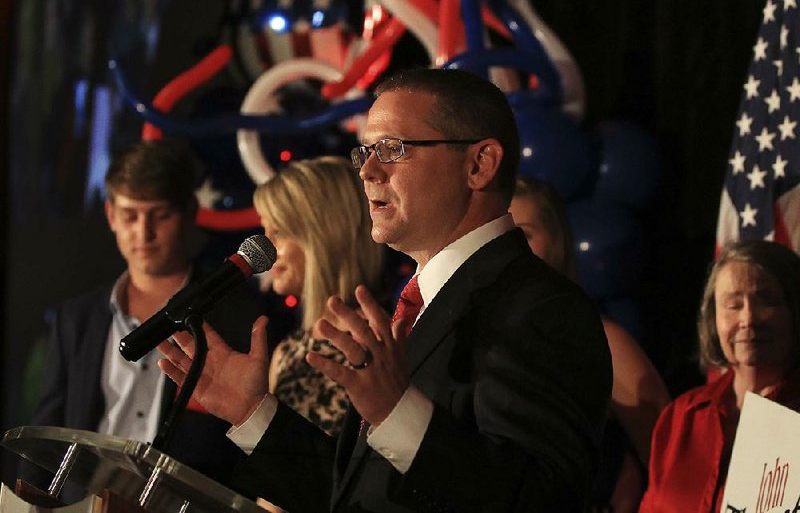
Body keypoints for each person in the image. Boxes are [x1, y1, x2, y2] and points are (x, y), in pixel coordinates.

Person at [158, 67, 613, 512]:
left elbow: (542, 499)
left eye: (393, 149)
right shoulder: (418, 303)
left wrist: (400, 415)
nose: (369, 171)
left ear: (479, 164)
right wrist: (253, 412)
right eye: (365, 152)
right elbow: (350, 496)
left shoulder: (541, 308)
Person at [22, 138, 259, 500]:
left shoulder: (234, 316)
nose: (143, 233)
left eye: (159, 215)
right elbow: (46, 430)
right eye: (130, 215)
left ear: (189, 212)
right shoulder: (78, 318)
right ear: (111, 216)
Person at [510, 176, 670, 512]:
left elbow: (672, 459)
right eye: (496, 236)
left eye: (523, 234)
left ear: (558, 242)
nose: (507, 248)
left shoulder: (601, 339)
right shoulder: (467, 335)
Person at [638, 239, 800, 512]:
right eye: (733, 305)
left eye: (767, 300)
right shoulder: (682, 415)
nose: (748, 319)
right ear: (713, 319)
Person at [253, 156, 384, 437]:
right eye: (266, 231)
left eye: (279, 231)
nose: (267, 247)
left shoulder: (382, 341)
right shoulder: (286, 354)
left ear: (323, 235)